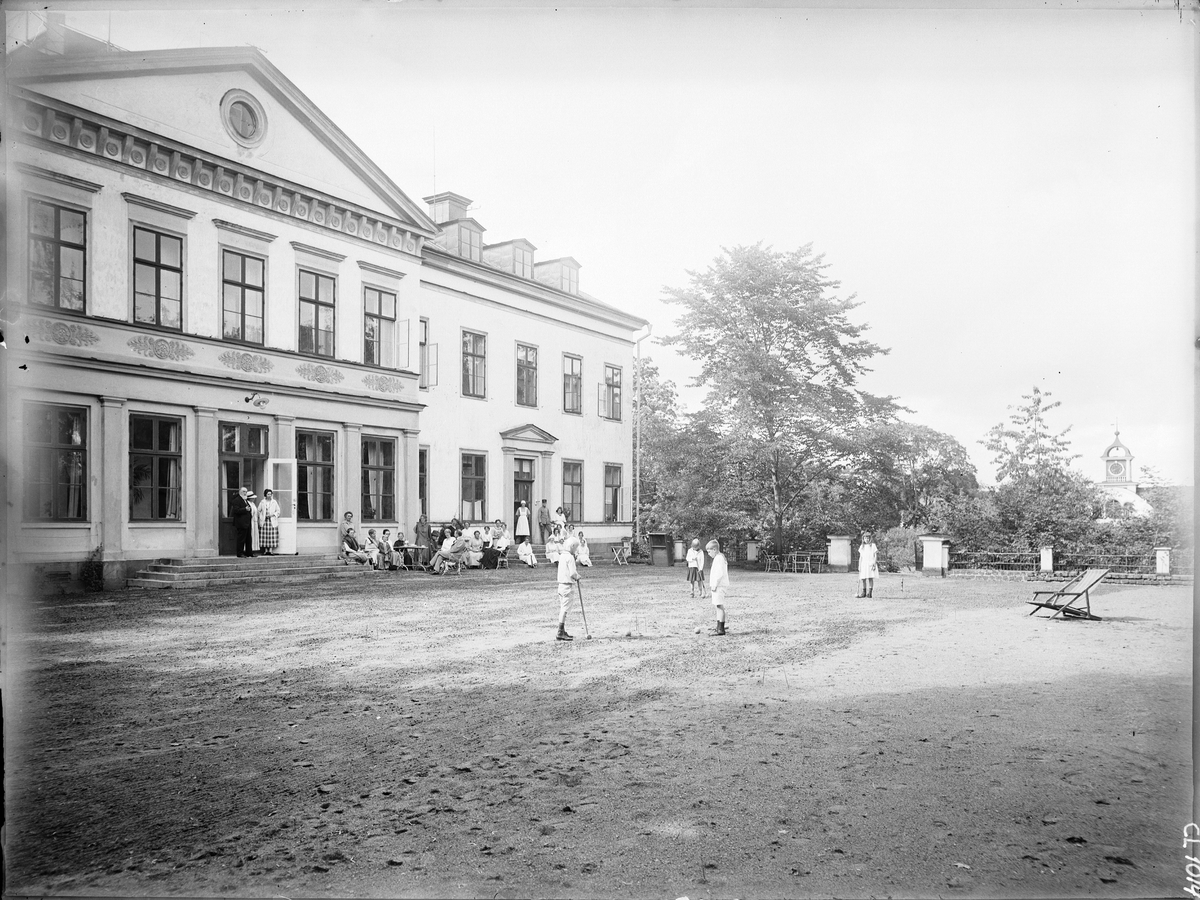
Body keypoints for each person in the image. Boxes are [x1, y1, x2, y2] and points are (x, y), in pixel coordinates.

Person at [554, 536, 583, 641]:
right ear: (572, 546)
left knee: (563, 608)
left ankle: (562, 630)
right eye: (575, 548)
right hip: (567, 586)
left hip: (561, 585)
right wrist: (577, 576)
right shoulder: (570, 557)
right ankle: (560, 632)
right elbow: (572, 573)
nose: (575, 550)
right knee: (564, 609)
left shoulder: (562, 556)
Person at [707, 539, 729, 636]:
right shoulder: (719, 557)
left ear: (714, 549)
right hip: (718, 585)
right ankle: (719, 625)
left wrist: (714, 585)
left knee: (719, 605)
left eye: (709, 551)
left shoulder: (719, 558)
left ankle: (721, 629)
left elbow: (719, 574)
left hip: (719, 586)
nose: (708, 554)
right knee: (717, 605)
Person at [231, 486, 255, 557]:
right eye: (243, 491)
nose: (245, 493)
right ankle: (240, 553)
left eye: (246, 491)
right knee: (241, 539)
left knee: (248, 539)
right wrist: (245, 509)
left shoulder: (246, 500)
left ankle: (249, 553)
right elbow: (236, 510)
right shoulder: (236, 500)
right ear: (240, 492)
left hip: (247, 523)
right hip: (241, 523)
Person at [257, 489, 281, 555]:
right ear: (265, 495)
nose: (269, 495)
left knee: (271, 535)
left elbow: (278, 511)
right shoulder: (262, 502)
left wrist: (273, 515)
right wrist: (262, 516)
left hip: (272, 521)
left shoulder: (274, 502)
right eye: (268, 494)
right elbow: (258, 511)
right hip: (265, 521)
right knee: (265, 535)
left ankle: (270, 550)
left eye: (270, 494)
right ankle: (265, 550)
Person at [858, 531, 879, 599]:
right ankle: (864, 592)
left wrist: (874, 563)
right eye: (865, 538)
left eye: (868, 538)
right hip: (864, 564)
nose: (866, 539)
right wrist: (859, 565)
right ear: (863, 539)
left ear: (870, 539)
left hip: (870, 563)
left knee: (870, 578)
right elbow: (861, 557)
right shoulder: (862, 546)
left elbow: (875, 555)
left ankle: (870, 593)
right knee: (863, 578)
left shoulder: (873, 546)